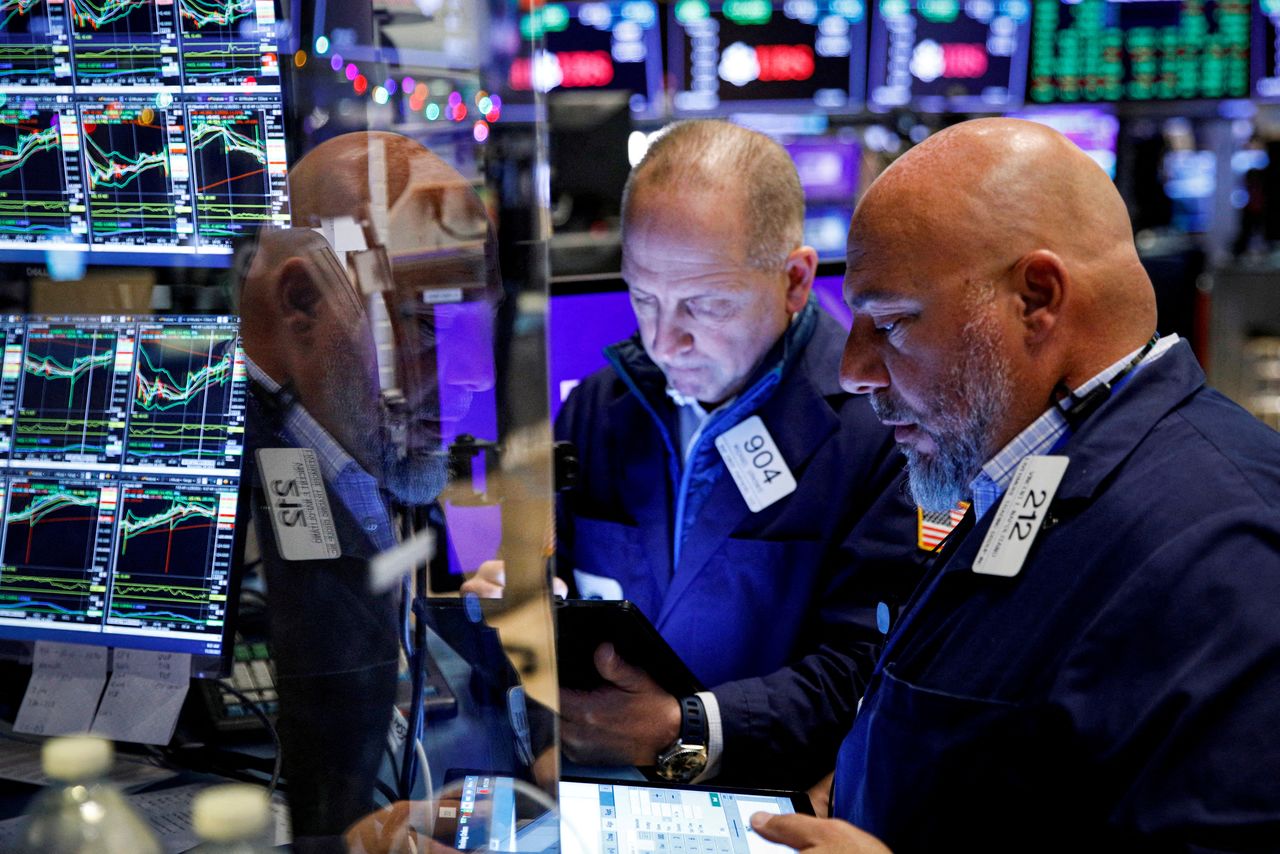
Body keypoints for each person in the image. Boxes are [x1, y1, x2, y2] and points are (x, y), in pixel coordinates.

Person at [752, 118, 1280, 850]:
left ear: (1036, 297)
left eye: (893, 322)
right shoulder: (1033, 466)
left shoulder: (1227, 556)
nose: (853, 369)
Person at [470, 119, 921, 788]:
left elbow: (870, 667)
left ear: (795, 281)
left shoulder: (882, 429)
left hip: (772, 806)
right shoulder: (598, 405)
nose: (663, 341)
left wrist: (686, 727)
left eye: (704, 305)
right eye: (643, 298)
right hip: (599, 793)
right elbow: (535, 581)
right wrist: (510, 611)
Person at [238, 131, 501, 850]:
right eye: (423, 322)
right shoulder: (210, 489)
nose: (473, 374)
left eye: (476, 321)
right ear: (301, 301)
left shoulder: (357, 441)